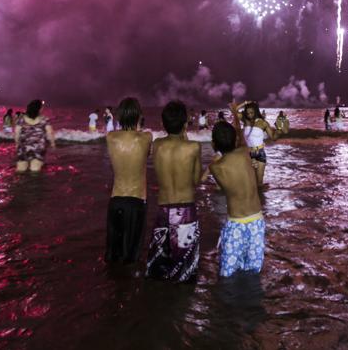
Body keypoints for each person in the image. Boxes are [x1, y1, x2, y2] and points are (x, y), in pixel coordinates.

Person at [146, 100, 203, 282]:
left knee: (158, 268)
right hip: (185, 210)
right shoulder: (193, 147)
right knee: (185, 271)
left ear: (162, 124)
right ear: (186, 124)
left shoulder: (156, 145)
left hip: (163, 209)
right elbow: (195, 181)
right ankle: (182, 305)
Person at [210, 108, 265, 278]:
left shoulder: (216, 167)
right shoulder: (244, 153)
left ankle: (229, 302)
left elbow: (223, 188)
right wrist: (235, 114)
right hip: (257, 220)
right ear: (235, 141)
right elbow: (241, 135)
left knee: (228, 272)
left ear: (213, 145)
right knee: (254, 271)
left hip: (236, 223)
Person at [105, 97, 152, 264]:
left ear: (119, 116)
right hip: (136, 201)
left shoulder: (110, 137)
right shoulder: (146, 137)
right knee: (132, 258)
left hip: (115, 200)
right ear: (138, 116)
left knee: (113, 256)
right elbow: (145, 154)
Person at [236, 101, 277, 188]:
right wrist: (245, 103)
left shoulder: (263, 123)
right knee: (249, 182)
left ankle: (261, 199)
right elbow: (234, 110)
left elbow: (273, 137)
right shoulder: (245, 120)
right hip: (247, 154)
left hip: (260, 153)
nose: (250, 115)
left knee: (259, 182)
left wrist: (280, 129)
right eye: (247, 113)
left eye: (252, 113)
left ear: (256, 112)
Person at [15, 99, 56, 173]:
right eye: (42, 107)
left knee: (21, 169)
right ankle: (34, 183)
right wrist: (53, 143)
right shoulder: (44, 119)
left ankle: (20, 183)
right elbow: (50, 133)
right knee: (35, 170)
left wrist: (17, 144)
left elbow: (16, 133)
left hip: (23, 147)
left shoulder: (21, 119)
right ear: (39, 109)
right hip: (38, 148)